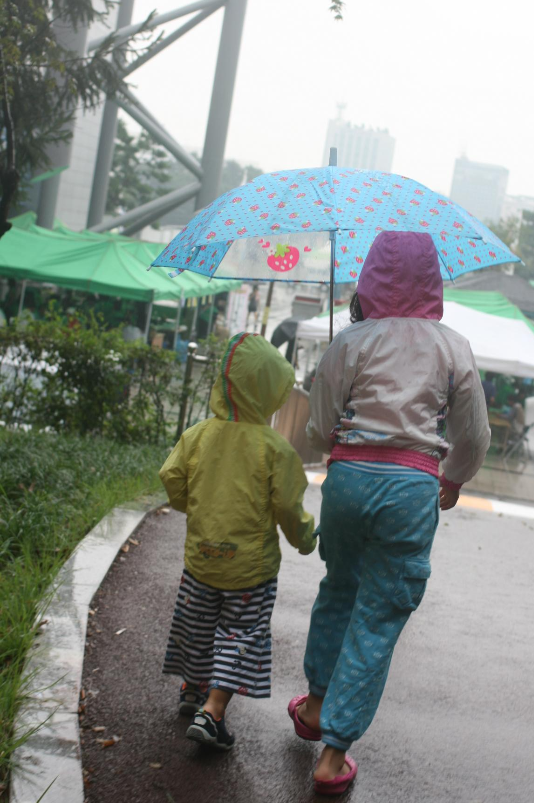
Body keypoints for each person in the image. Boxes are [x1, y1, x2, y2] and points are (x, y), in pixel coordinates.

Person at [288, 231, 490, 795]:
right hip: (411, 488)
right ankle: (332, 756)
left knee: (339, 588)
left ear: (370, 277)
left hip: (347, 482)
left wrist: (339, 438)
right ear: (434, 282)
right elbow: (473, 433)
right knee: (378, 613)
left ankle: (315, 705)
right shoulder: (452, 346)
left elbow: (318, 426)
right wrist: (454, 477)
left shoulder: (352, 339)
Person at [159, 332, 316, 751]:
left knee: (197, 626)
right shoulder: (275, 449)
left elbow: (172, 478)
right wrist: (305, 538)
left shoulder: (198, 435)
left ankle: (192, 689)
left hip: (201, 560)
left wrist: (194, 507)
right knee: (241, 635)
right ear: (268, 393)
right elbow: (289, 507)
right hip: (250, 571)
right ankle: (212, 712)